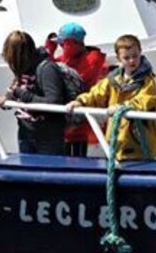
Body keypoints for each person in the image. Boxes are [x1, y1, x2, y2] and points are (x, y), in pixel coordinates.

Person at [66, 35, 156, 161]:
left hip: (139, 147)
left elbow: (148, 100)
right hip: (116, 144)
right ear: (118, 59)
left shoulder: (147, 81)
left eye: (135, 56)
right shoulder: (112, 80)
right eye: (127, 58)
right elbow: (96, 94)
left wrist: (124, 107)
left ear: (140, 53)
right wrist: (80, 101)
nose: (132, 60)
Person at [0, 31, 68, 155]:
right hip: (25, 133)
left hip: (47, 137)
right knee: (28, 172)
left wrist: (22, 94)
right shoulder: (23, 68)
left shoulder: (47, 69)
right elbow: (15, 91)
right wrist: (6, 100)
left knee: (48, 173)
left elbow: (54, 102)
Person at [44, 22, 109, 157]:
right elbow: (50, 70)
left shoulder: (92, 59)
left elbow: (68, 77)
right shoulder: (68, 57)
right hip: (65, 120)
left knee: (77, 160)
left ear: (72, 43)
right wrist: (49, 50)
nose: (60, 46)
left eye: (63, 43)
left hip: (80, 122)